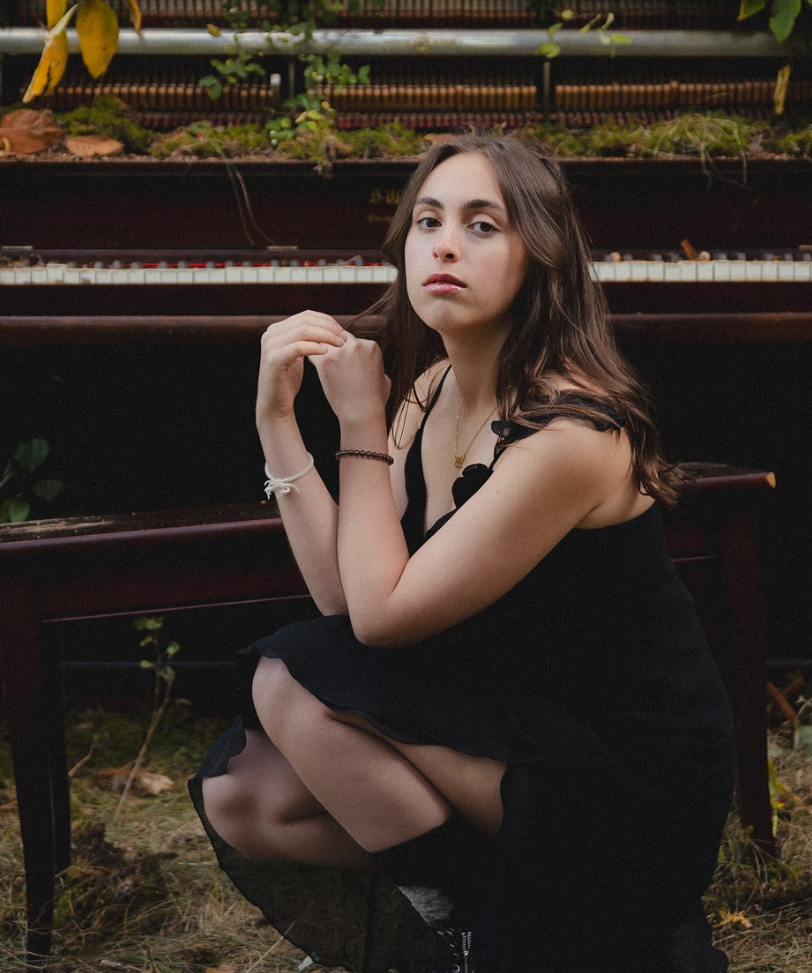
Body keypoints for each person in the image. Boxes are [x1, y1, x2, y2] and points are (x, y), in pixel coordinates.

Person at [190, 132, 736, 973]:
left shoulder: (568, 434)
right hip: (518, 720)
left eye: (483, 225)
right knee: (249, 800)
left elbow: (373, 622)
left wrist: (358, 426)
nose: (443, 244)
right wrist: (276, 424)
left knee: (287, 680)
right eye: (427, 221)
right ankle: (505, 913)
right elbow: (346, 599)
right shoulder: (429, 388)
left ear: (539, 257)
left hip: (628, 777)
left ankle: (470, 936)